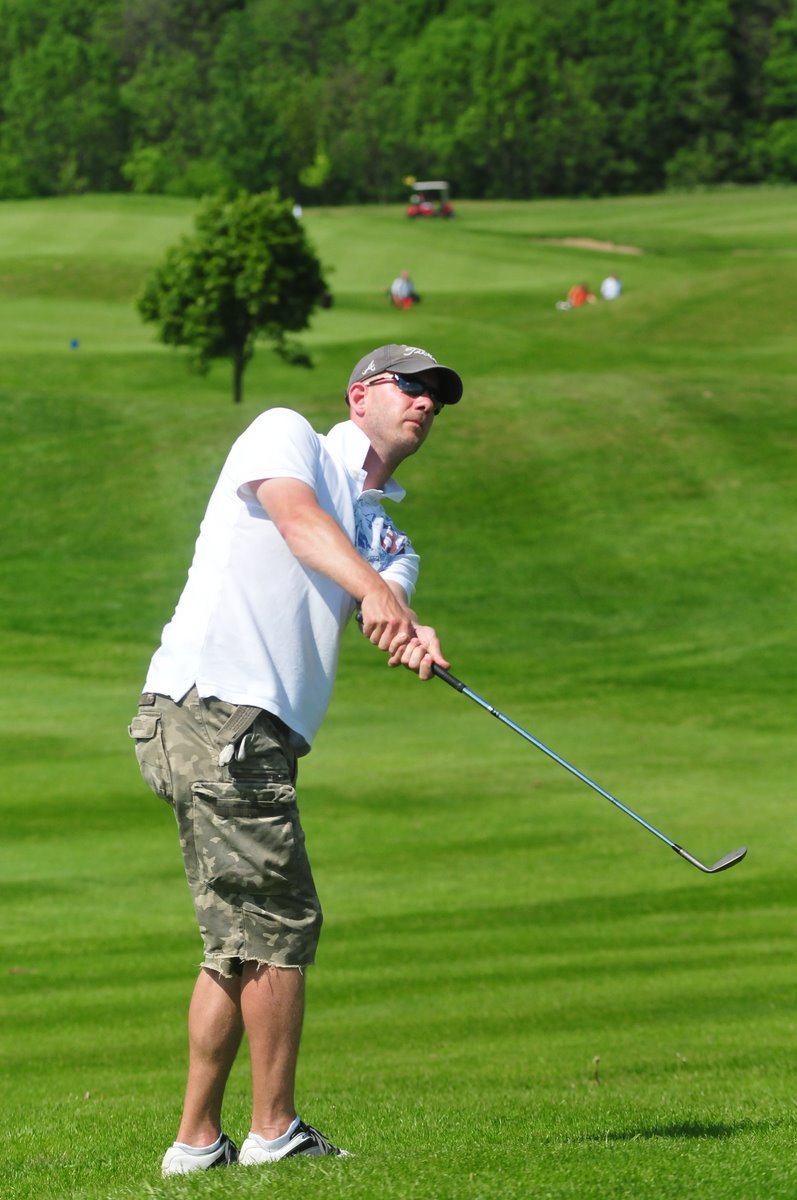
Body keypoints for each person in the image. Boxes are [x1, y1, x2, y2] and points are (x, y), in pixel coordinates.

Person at [128, 343, 462, 1176]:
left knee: (238, 939)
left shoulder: (387, 534)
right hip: (216, 704)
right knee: (280, 922)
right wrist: (375, 593)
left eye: (436, 396)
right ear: (359, 396)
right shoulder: (286, 436)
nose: (425, 402)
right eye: (409, 386)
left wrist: (405, 625)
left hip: (251, 727)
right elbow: (297, 521)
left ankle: (196, 1144)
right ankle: (274, 1133)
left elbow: (386, 594)